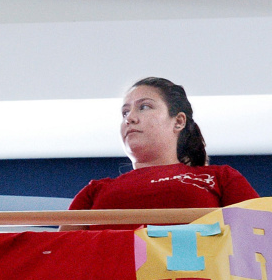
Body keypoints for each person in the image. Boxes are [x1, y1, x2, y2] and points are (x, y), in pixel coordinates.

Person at [69, 77, 258, 224]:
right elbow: (61, 255)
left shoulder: (220, 178)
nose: (130, 118)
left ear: (178, 121)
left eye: (144, 107)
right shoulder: (94, 191)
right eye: (125, 112)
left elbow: (262, 236)